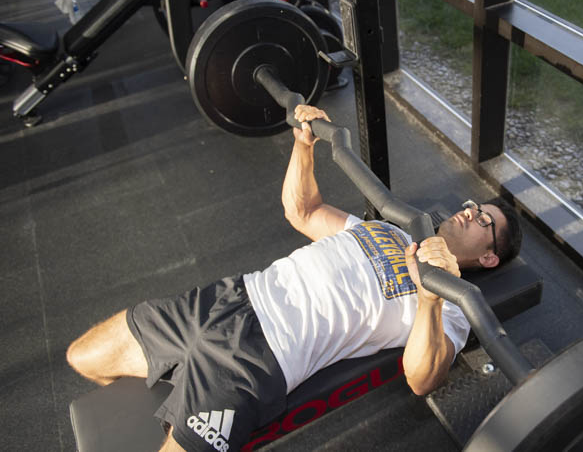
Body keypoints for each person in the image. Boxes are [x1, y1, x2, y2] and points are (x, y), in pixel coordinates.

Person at [65, 105, 523, 452]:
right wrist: (303, 146)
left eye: (484, 220)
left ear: (488, 258)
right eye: (473, 206)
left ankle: (191, 394)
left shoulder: (455, 306)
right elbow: (302, 211)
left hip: (255, 360)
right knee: (82, 357)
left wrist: (430, 299)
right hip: (229, 297)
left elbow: (423, 380)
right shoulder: (390, 228)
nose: (469, 212)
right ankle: (180, 385)